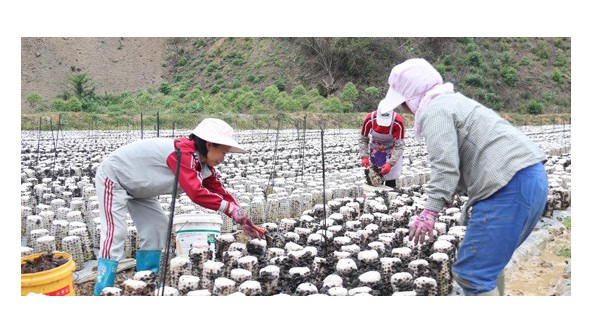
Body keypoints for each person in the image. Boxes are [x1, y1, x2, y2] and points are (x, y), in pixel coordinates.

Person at [378, 58, 548, 296]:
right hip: (530, 177)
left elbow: (445, 167)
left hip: (508, 186)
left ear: (412, 95)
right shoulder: (454, 101)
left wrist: (430, 211)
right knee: (488, 266)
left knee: (473, 273)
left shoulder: (435, 111)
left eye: (402, 100)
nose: (403, 108)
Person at [93, 118, 264, 295]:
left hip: (140, 187)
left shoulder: (203, 166)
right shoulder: (182, 153)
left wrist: (243, 219)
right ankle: (101, 291)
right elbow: (196, 193)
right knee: (115, 234)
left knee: (157, 227)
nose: (223, 158)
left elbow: (221, 192)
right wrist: (230, 210)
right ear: (210, 145)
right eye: (224, 152)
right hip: (115, 178)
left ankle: (146, 281)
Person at [359, 100, 406, 188]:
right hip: (376, 150)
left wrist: (390, 163)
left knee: (390, 181)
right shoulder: (370, 119)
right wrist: (364, 156)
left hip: (391, 151)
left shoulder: (398, 122)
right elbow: (363, 138)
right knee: (375, 180)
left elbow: (400, 146)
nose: (383, 126)